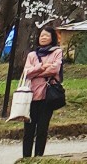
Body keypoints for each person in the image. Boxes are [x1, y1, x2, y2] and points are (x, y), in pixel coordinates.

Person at [20, 26, 68, 159]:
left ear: (52, 38)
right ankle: (26, 158)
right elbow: (27, 72)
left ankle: (39, 157)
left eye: (47, 36)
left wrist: (35, 71)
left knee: (42, 128)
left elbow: (55, 69)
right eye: (41, 35)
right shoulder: (32, 55)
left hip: (47, 96)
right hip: (31, 95)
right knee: (28, 129)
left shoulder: (57, 52)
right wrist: (42, 67)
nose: (43, 38)